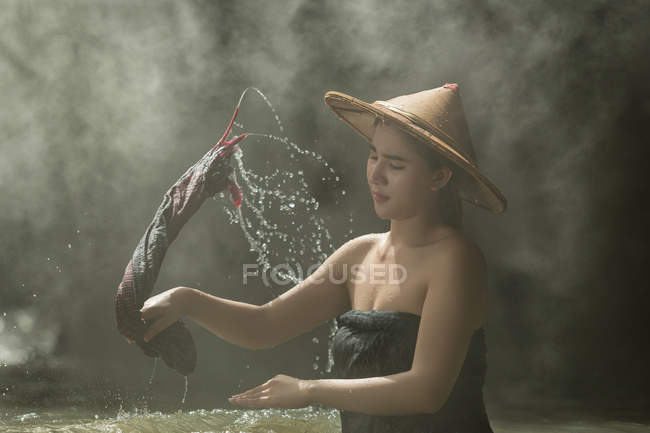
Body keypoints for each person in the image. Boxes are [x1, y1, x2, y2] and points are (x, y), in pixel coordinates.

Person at [138, 83, 506, 432]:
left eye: (395, 165)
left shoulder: (456, 260)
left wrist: (309, 390)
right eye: (373, 155)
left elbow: (426, 391)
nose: (376, 174)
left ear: (439, 177)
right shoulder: (359, 255)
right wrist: (185, 300)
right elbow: (265, 325)